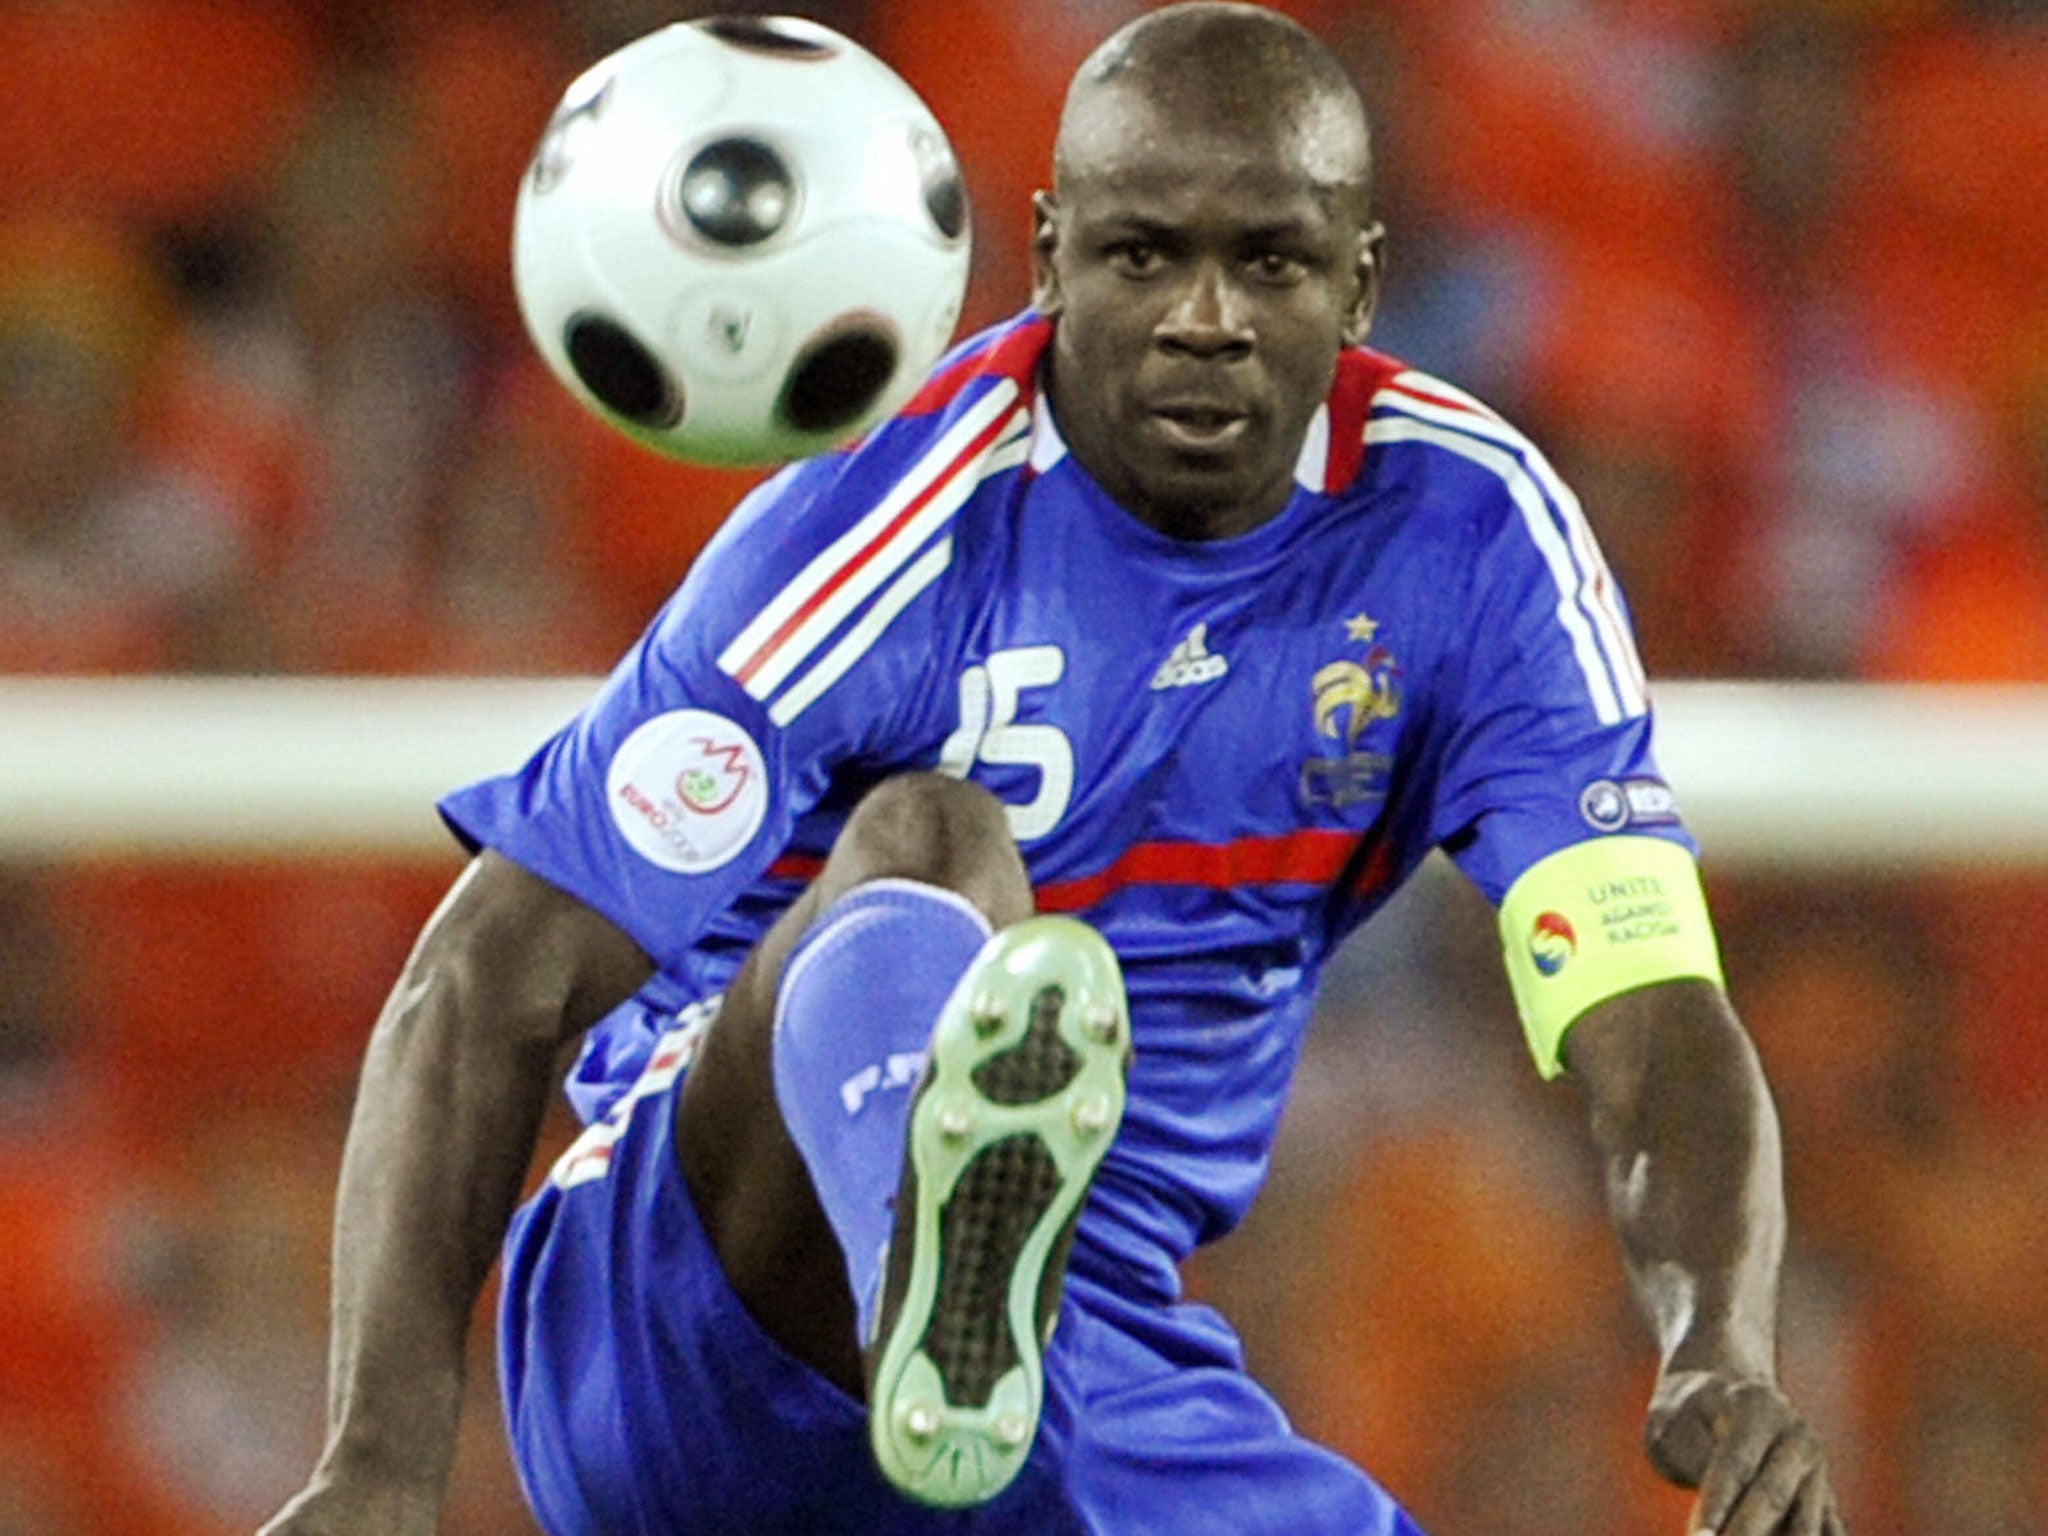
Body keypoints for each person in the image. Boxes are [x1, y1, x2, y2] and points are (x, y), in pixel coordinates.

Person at [261, 6, 1847, 1533]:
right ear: (1047, 259)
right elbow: (489, 970)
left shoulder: (1475, 540)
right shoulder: (888, 521)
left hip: (1090, 1376)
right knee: (937, 842)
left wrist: (1722, 1340)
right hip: (684, 1320)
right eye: (1143, 253)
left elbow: (1646, 1005)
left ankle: (978, 1342)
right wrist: (381, 1464)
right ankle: (923, 1290)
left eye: (1269, 261)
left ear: (1363, 284)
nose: (1202, 317)